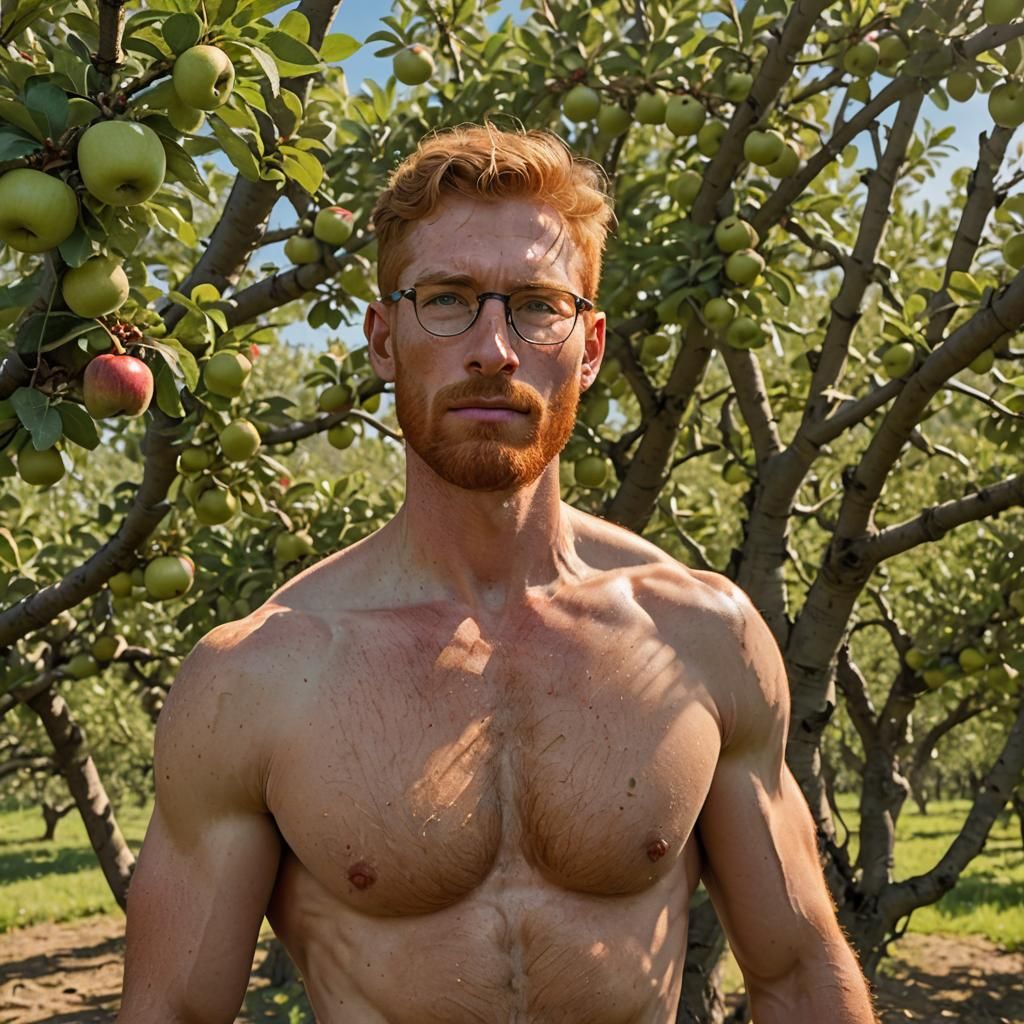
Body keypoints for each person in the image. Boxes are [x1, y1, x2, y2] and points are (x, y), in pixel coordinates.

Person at [117, 124, 877, 1023]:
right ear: (381, 339)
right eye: (446, 299)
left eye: (535, 305)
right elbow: (172, 1013)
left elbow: (796, 975)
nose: (493, 349)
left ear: (589, 346)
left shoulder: (700, 635)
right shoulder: (256, 677)